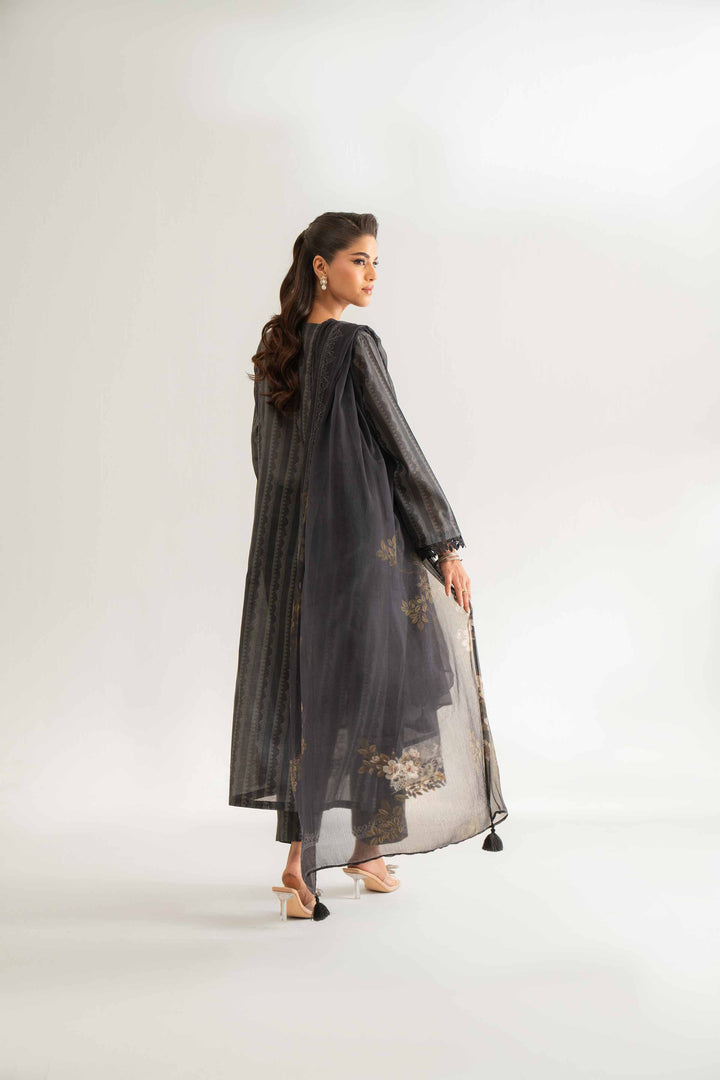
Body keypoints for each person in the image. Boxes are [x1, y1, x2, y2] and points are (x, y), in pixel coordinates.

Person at [229, 212, 508, 921]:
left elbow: (266, 460)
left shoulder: (277, 349)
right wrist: (444, 545)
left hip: (288, 552)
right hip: (357, 548)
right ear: (321, 267)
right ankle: (359, 852)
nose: (372, 275)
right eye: (359, 260)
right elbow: (398, 446)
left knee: (310, 693)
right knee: (378, 685)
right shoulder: (354, 345)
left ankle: (307, 863)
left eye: (376, 261)